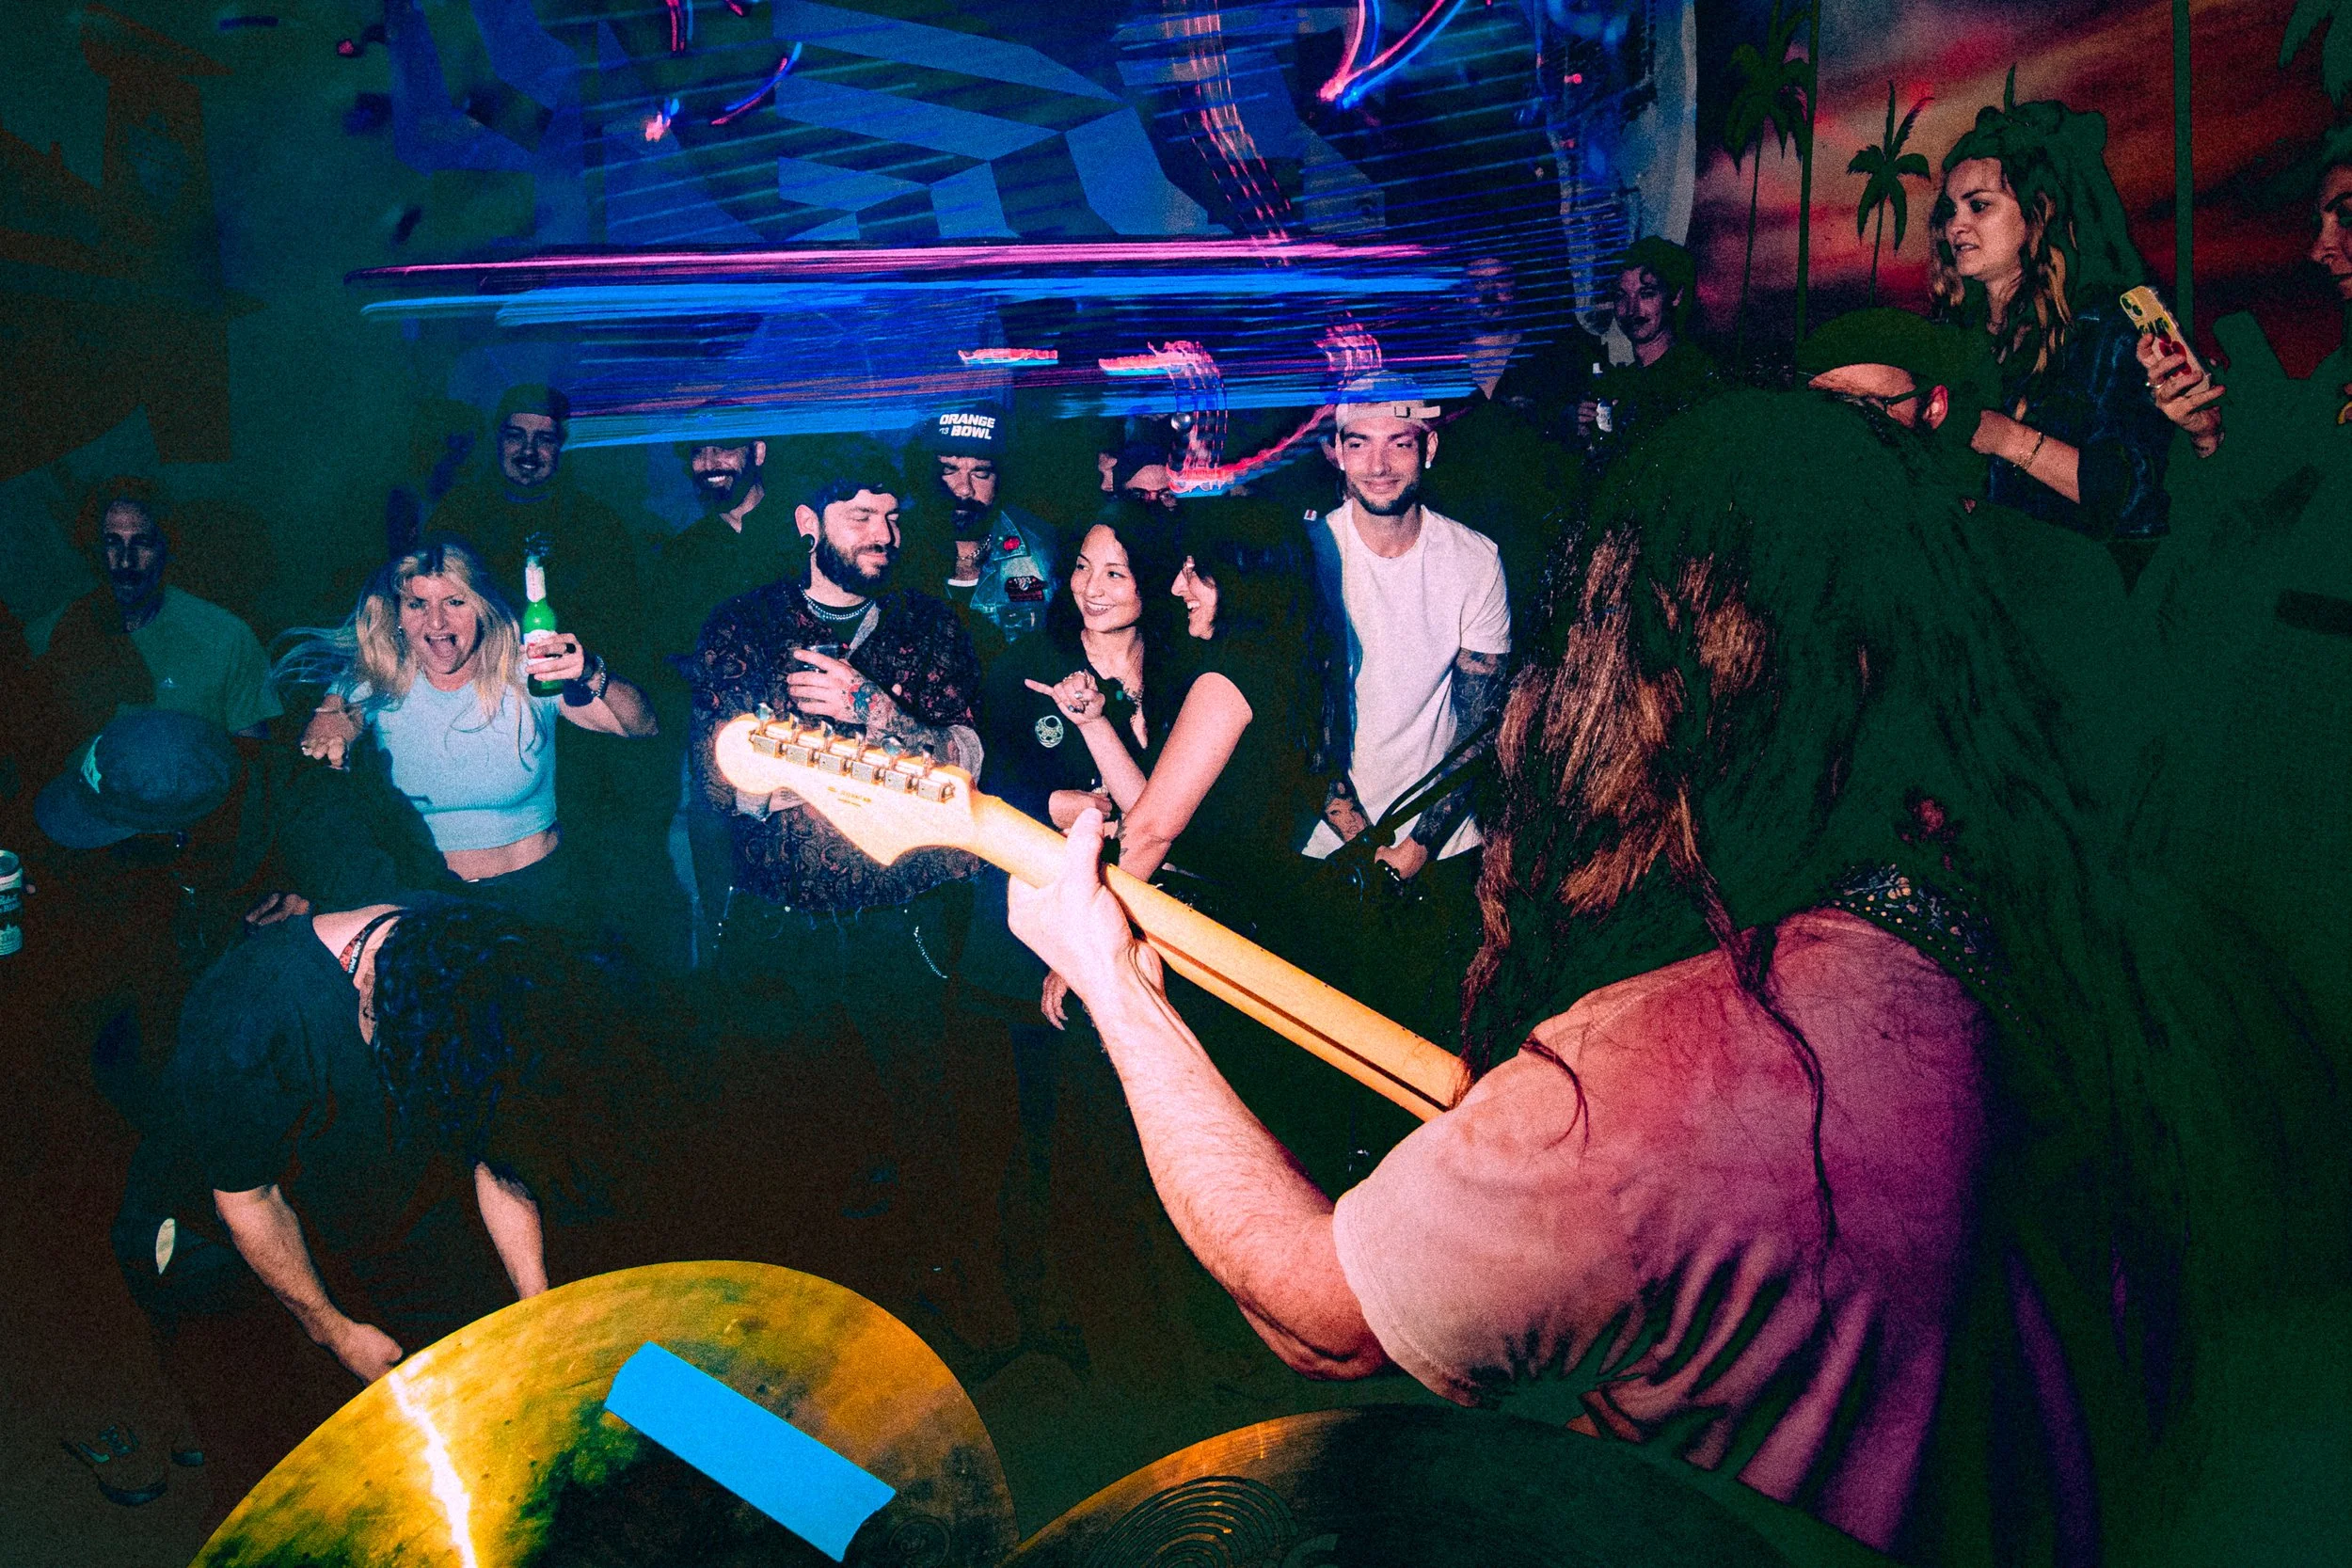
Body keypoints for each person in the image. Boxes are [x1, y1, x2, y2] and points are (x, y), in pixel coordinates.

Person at [1008, 389, 2352, 1560]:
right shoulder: (2017, 894)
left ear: (1641, 667)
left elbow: (1319, 1308)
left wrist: (1112, 978)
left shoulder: (1663, 1079)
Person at [123, 900, 603, 1520]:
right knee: (262, 1445)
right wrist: (333, 1327)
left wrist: (538, 1304)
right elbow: (248, 1203)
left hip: (356, 1190)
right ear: (364, 981)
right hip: (208, 1219)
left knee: (472, 1362)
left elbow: (491, 1151)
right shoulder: (245, 1013)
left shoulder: (463, 958)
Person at [685, 436, 996, 1301]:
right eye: (861, 516)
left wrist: (876, 712)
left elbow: (963, 764)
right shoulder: (742, 626)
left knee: (921, 1126)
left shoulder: (931, 625)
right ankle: (797, 1315)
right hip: (780, 925)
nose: (883, 535)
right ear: (806, 522)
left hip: (905, 921)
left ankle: (930, 1316)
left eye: (892, 518)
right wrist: (881, 770)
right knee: (784, 1136)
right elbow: (723, 776)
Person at [284, 537, 657, 924]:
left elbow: (642, 725)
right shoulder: (379, 682)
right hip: (427, 897)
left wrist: (591, 672)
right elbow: (324, 733)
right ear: (397, 614)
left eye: (454, 602)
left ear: (482, 608)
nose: (436, 622)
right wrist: (328, 726)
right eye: (417, 604)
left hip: (539, 896)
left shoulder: (527, 671)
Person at [1927, 97, 2219, 581]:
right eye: (1950, 210)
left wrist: (2003, 436)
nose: (1956, 225)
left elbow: (2125, 498)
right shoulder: (1952, 335)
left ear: (2037, 213)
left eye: (1979, 205)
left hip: (2078, 598)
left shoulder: (2103, 331)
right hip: (1975, 584)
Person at [1302, 388, 1510, 1049]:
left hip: (1440, 852)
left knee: (1431, 1055)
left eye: (1399, 441)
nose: (1379, 463)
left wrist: (1413, 851)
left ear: (1430, 447)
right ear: (1335, 453)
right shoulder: (1306, 555)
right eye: (1358, 442)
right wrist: (1365, 849)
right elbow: (1296, 722)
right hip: (1325, 850)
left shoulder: (1475, 559)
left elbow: (1481, 728)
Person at [979, 500, 1185, 1025]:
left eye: (1115, 573)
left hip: (1157, 922)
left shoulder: (1187, 672)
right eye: (1081, 566)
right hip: (1043, 913)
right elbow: (979, 785)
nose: (1091, 589)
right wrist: (1048, 804)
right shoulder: (1028, 664)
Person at [29, 477, 281, 744]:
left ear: (165, 547)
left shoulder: (228, 640)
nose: (126, 561)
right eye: (112, 542)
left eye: (142, 543)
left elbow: (253, 763)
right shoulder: (49, 636)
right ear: (95, 550)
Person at [426, 385, 643, 661]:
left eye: (543, 439)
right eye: (516, 437)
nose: (528, 451)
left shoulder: (596, 524)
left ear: (560, 447)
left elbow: (619, 626)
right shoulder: (458, 513)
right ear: (499, 441)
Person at [910, 406, 1059, 650]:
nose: (964, 489)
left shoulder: (1042, 551)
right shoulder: (894, 545)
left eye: (981, 473)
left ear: (1000, 479)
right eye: (949, 470)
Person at [1575, 238, 1720, 457]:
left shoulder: (1692, 374)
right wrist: (1589, 438)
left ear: (1675, 296)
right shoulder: (1622, 381)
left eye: (1646, 294)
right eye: (1621, 296)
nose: (1631, 309)